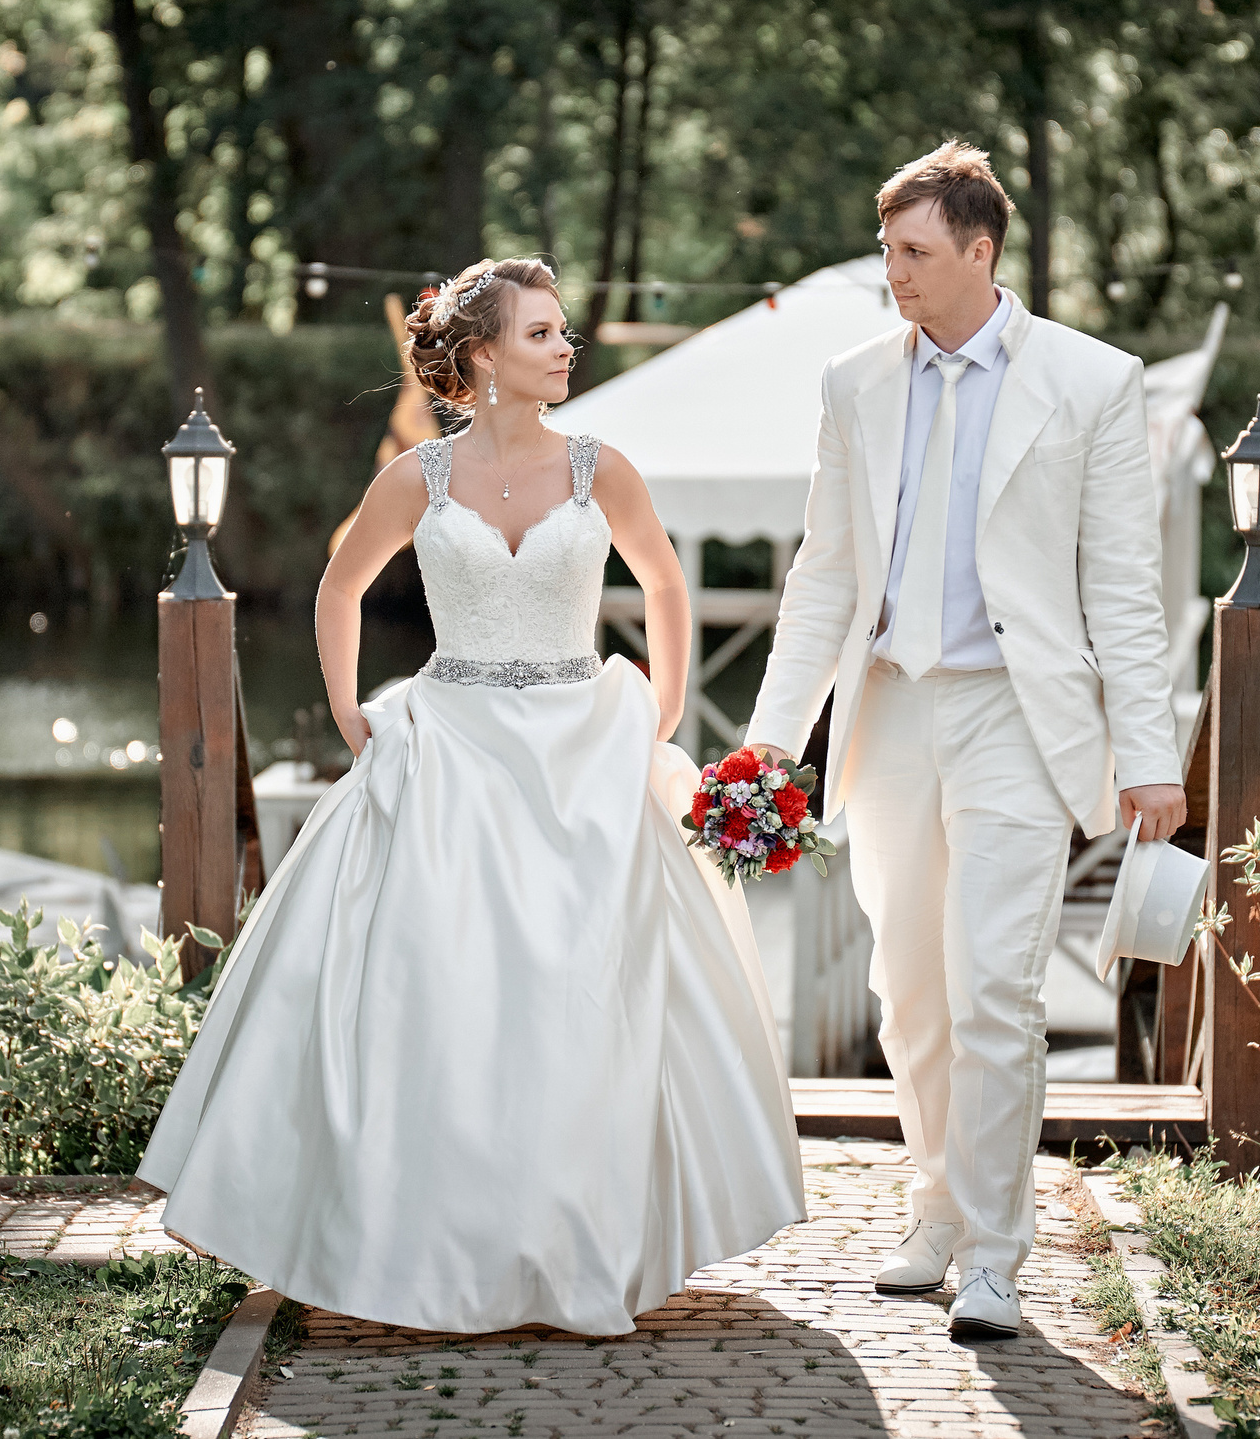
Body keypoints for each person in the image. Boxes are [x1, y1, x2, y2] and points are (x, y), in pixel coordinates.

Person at [139, 257, 805, 1337]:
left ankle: (580, 1240)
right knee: (441, 995)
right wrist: (353, 711)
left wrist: (663, 711)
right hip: (447, 744)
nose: (563, 348)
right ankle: (426, 1246)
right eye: (540, 333)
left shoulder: (602, 469)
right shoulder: (421, 477)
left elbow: (664, 581)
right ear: (484, 355)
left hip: (584, 749)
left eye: (561, 332)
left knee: (581, 997)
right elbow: (339, 583)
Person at [744, 142, 1186, 1342]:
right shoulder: (851, 381)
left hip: (1016, 719)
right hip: (888, 709)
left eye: (914, 253)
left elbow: (1125, 590)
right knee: (911, 993)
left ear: (980, 253)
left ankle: (995, 1253)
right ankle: (934, 1208)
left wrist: (1149, 752)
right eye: (890, 249)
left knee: (997, 988)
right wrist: (768, 745)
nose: (893, 271)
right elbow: (822, 575)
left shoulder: (1093, 383)